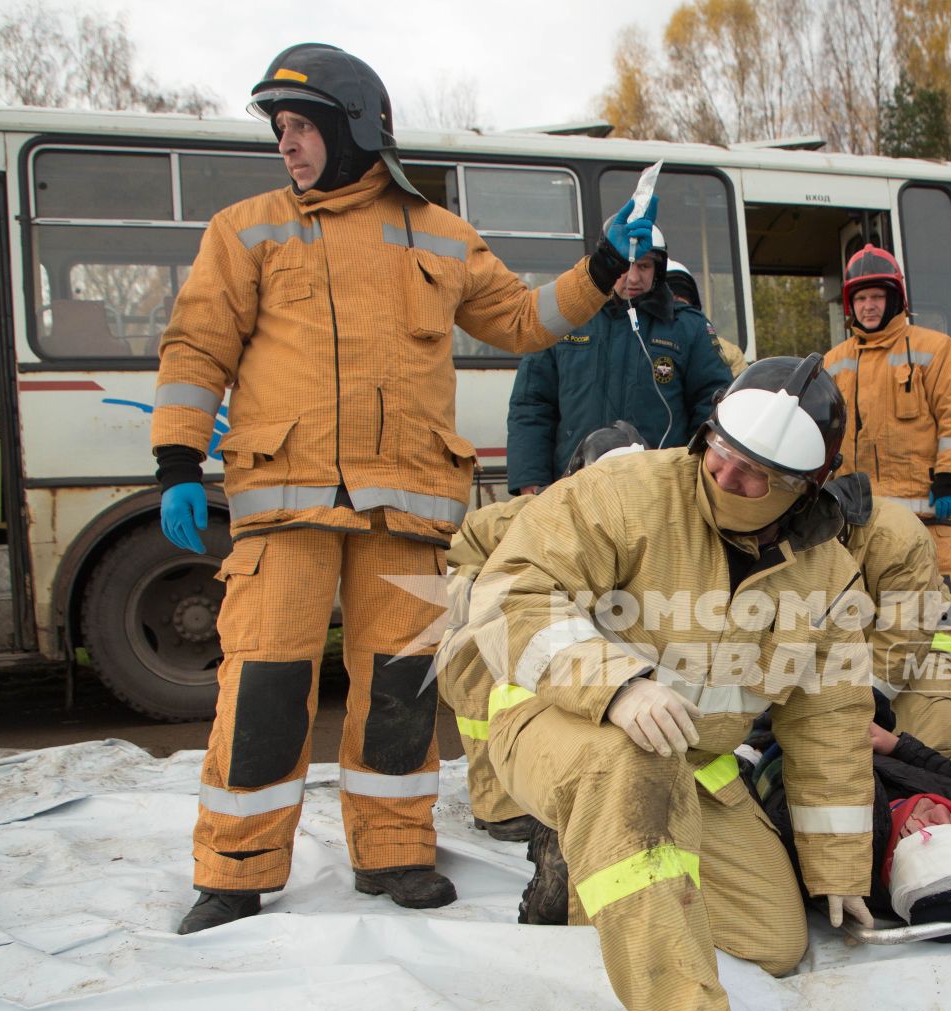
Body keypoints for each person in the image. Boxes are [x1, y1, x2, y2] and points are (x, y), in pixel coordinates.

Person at [151, 42, 658, 935]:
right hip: (285, 503)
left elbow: (520, 321)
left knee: (401, 688)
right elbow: (197, 350)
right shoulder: (247, 229)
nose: (287, 144)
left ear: (356, 126)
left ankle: (392, 851)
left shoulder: (440, 233)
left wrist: (597, 267)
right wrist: (176, 461)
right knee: (264, 685)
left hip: (408, 509)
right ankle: (235, 867)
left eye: (302, 126)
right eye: (280, 129)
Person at [468, 355, 874, 1011]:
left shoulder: (830, 579)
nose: (726, 475)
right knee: (628, 764)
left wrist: (840, 868)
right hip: (559, 721)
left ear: (805, 489)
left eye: (757, 475)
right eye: (720, 449)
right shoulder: (626, 494)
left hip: (692, 765)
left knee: (777, 940)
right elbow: (509, 595)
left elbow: (829, 725)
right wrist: (613, 682)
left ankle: (580, 863)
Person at [437, 422, 646, 847]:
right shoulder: (517, 519)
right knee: (486, 650)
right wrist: (492, 590)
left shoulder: (654, 527)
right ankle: (498, 804)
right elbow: (432, 571)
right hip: (493, 640)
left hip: (581, 643)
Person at [822, 245, 951, 706]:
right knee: (872, 613)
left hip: (926, 518)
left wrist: (949, 477)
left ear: (894, 300)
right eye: (859, 299)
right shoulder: (834, 360)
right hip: (861, 522)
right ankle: (881, 698)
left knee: (946, 610)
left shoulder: (934, 348)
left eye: (876, 297)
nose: (868, 307)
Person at [505, 228, 732, 495]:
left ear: (658, 269)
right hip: (573, 487)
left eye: (644, 266)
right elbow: (532, 405)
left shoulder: (687, 326)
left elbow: (713, 407)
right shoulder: (565, 318)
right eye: (624, 266)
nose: (633, 278)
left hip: (661, 491)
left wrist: (702, 479)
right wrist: (530, 482)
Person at [753, 706, 951, 932]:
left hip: (793, 747)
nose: (941, 811)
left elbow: (782, 790)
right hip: (876, 734)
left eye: (931, 830)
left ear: (890, 862)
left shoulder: (835, 845)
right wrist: (899, 746)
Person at [824, 473, 951, 772]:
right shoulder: (786, 529)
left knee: (923, 748)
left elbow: (904, 635)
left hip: (921, 642)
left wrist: (861, 705)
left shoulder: (896, 535)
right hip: (854, 646)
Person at [665, 258, 747, 377]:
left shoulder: (730, 356)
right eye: (671, 300)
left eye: (682, 302)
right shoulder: (637, 346)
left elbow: (736, 393)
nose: (678, 309)